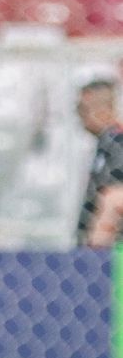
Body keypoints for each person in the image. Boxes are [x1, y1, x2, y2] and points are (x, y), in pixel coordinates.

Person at [75, 79, 123, 246]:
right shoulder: (105, 142)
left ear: (104, 110)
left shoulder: (116, 142)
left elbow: (112, 192)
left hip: (108, 253)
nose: (79, 116)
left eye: (83, 109)